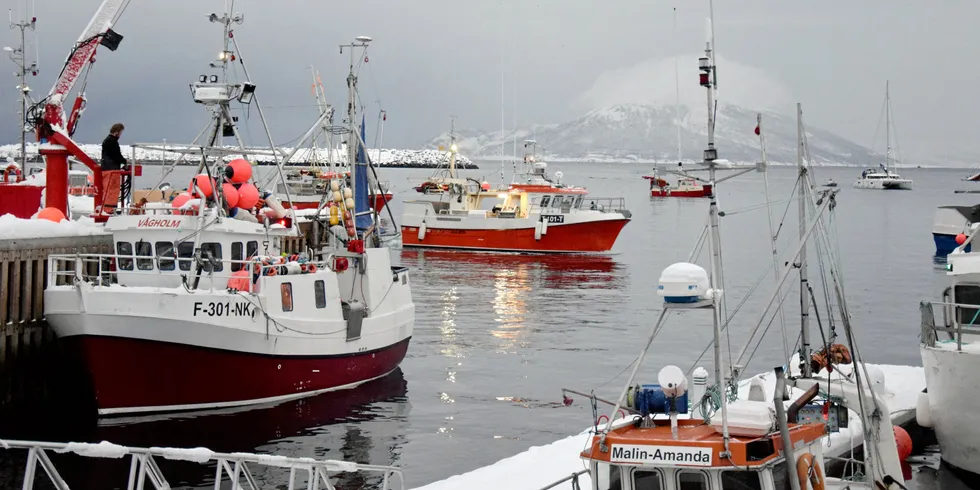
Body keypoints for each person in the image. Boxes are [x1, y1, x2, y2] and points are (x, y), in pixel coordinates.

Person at [99, 123, 127, 215]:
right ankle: (109, 210)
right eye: (121, 133)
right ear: (117, 132)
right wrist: (125, 161)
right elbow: (116, 156)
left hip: (107, 169)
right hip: (111, 170)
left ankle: (109, 208)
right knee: (112, 190)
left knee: (108, 190)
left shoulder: (107, 141)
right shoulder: (112, 142)